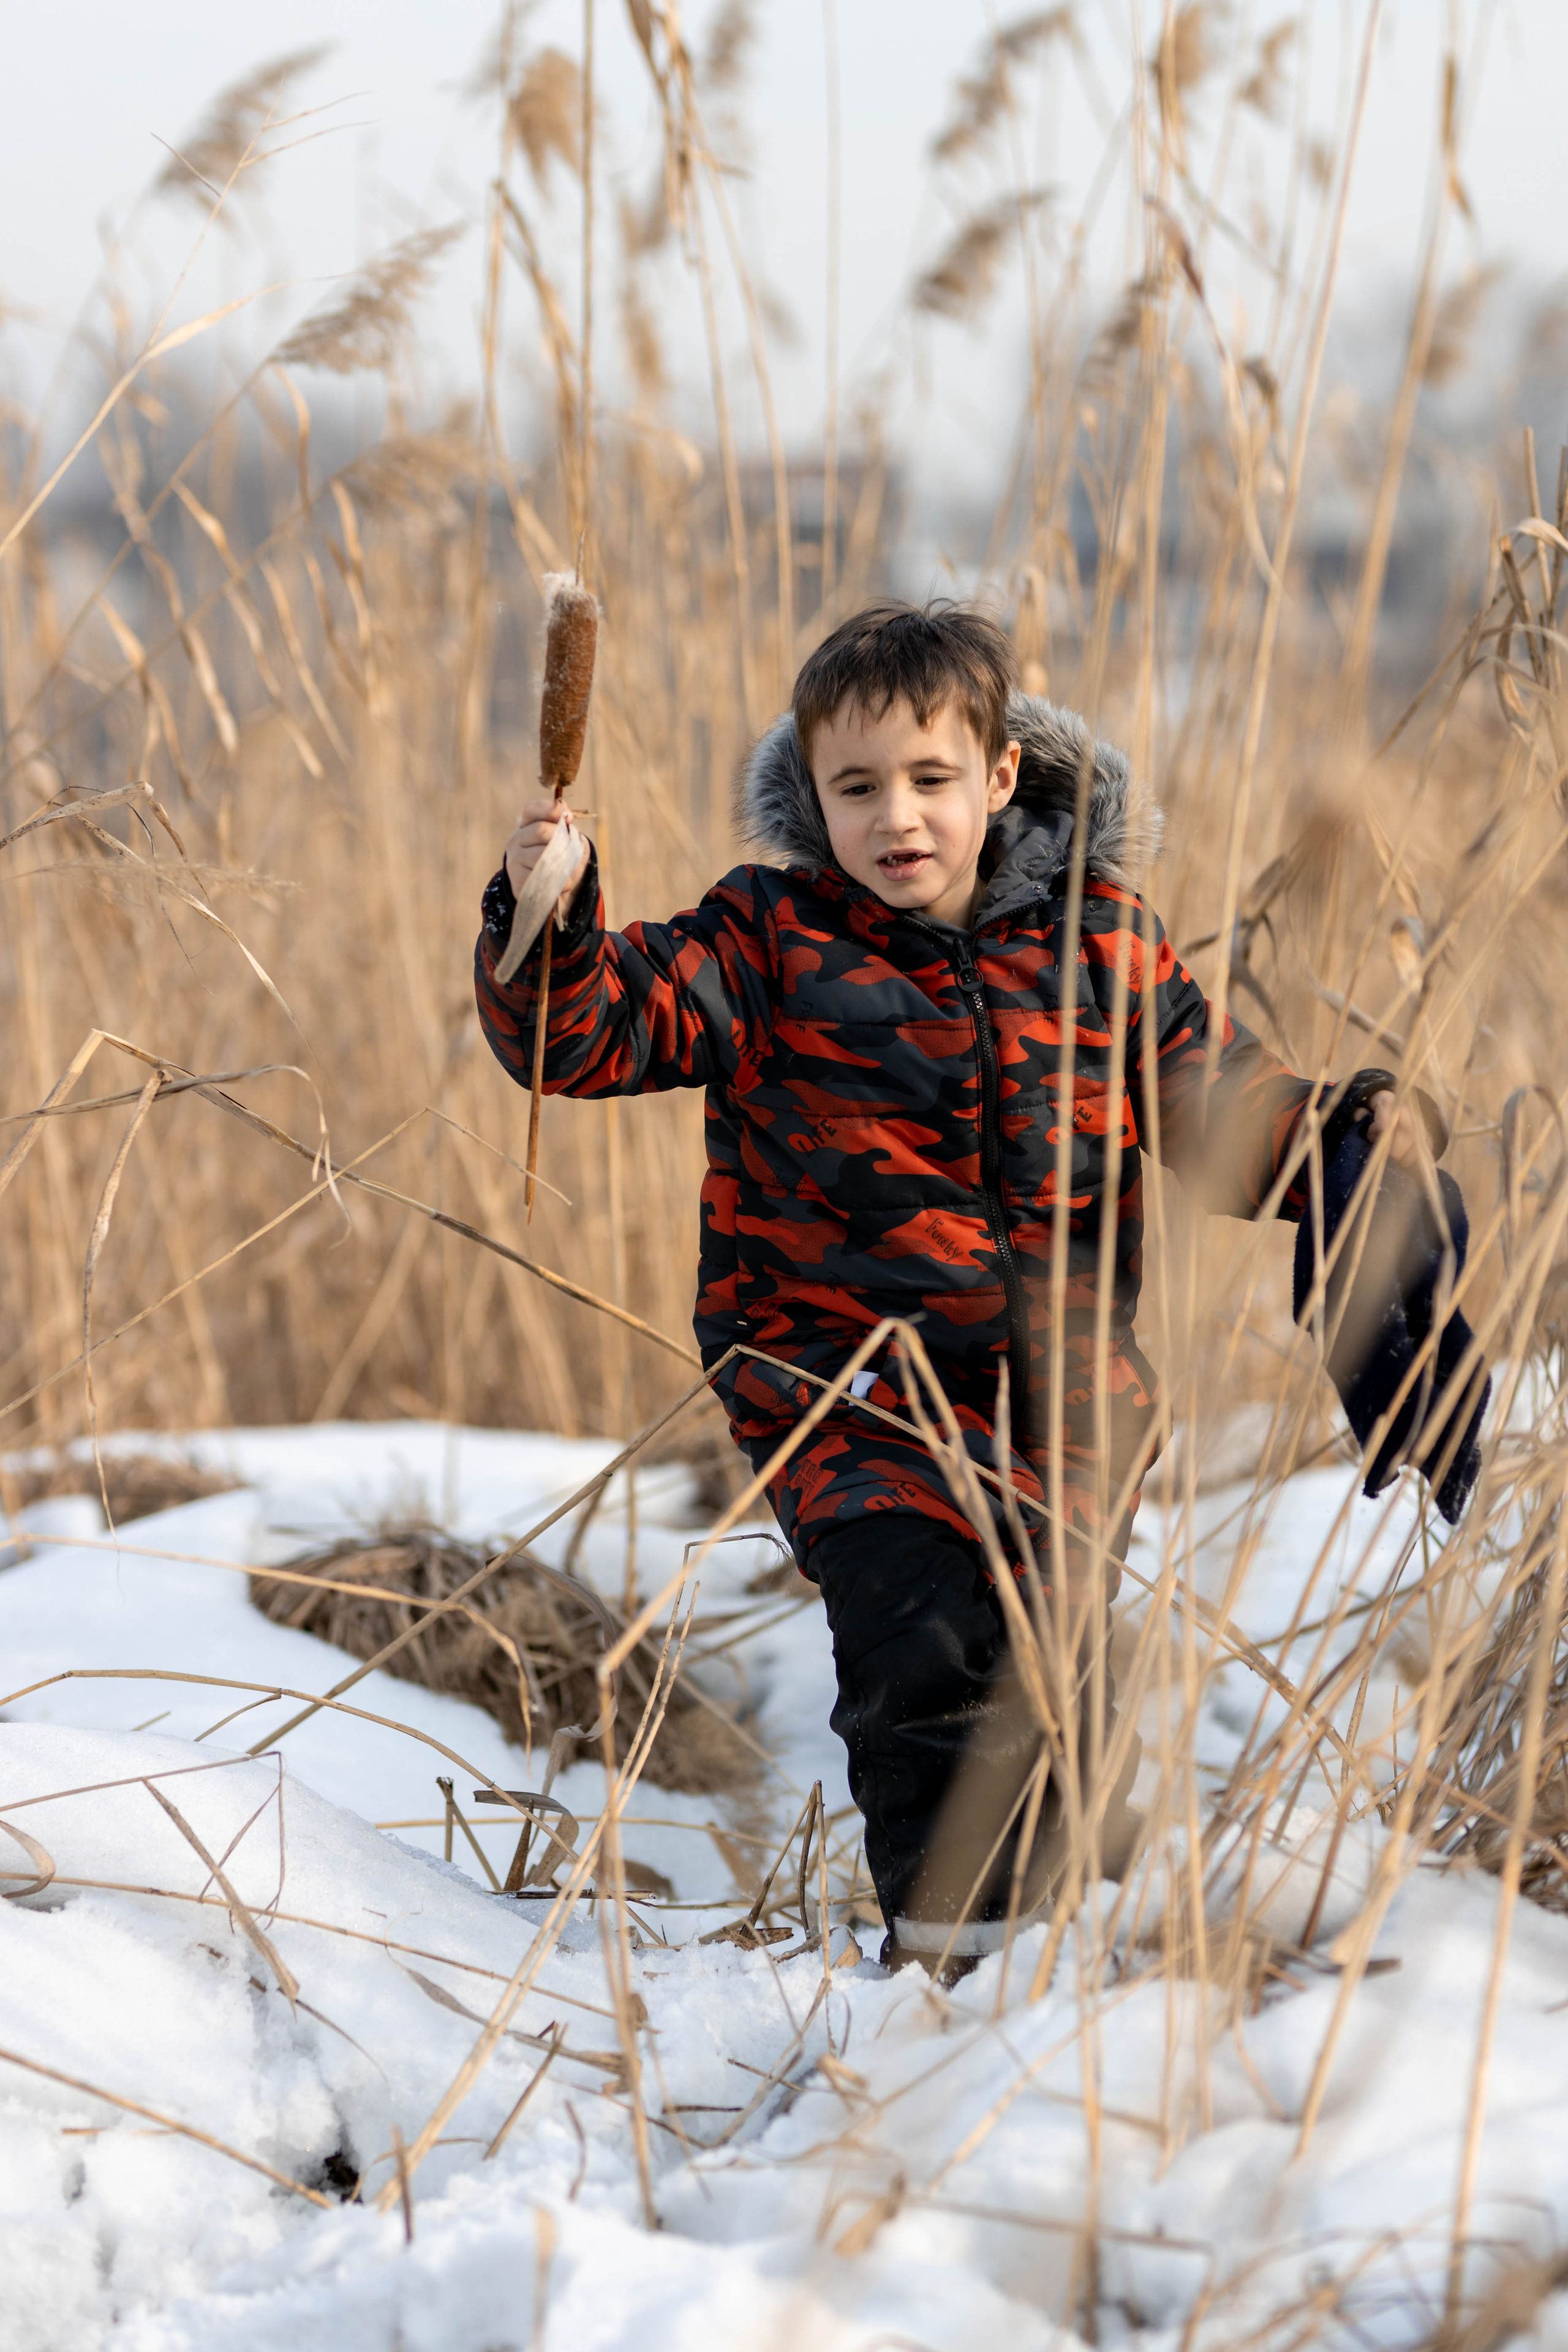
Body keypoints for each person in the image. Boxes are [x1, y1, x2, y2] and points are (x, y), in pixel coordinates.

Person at [475, 600, 1420, 1978]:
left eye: (928, 781)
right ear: (811, 793)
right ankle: (948, 1961)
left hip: (1066, 1403)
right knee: (921, 1639)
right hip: (841, 1392)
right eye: (855, 788)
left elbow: (1217, 1108)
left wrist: (1342, 1133)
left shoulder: (1103, 948)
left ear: (998, 778)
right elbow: (592, 1033)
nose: (895, 818)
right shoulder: (769, 941)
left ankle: (1076, 1952)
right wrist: (544, 920)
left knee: (1049, 1675)